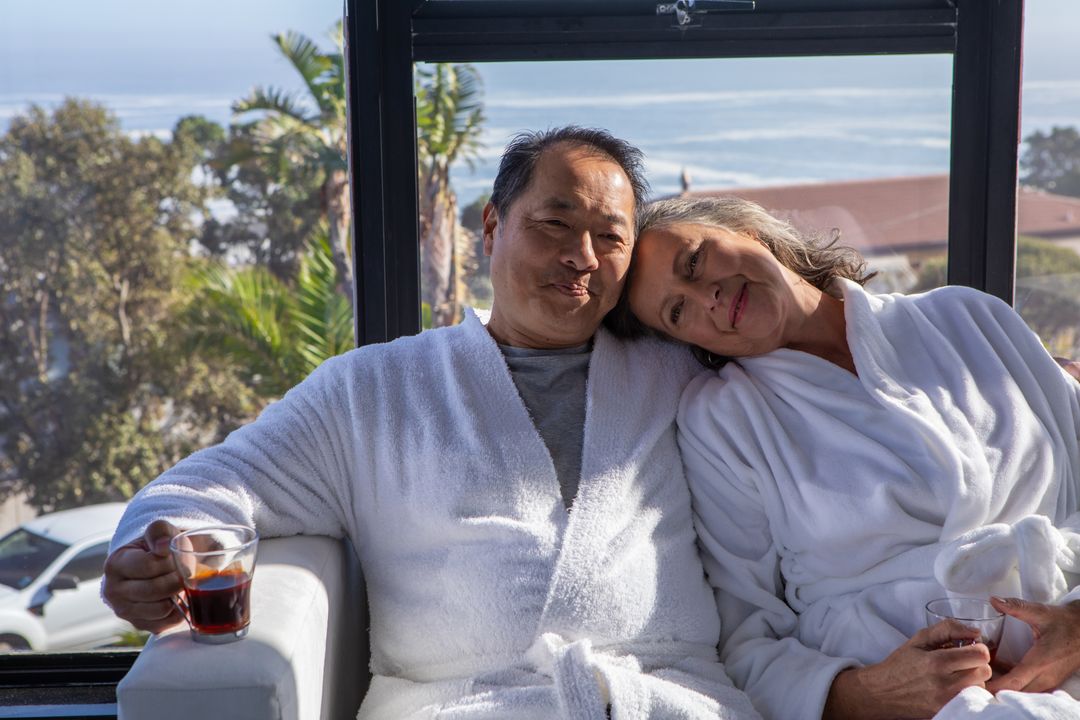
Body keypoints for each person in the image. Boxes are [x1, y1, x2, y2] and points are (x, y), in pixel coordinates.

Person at [101, 128, 761, 720]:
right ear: (492, 227)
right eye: (555, 225)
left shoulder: (682, 378)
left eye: (611, 237)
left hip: (668, 702)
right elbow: (202, 492)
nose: (582, 256)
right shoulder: (374, 391)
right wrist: (155, 558)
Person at [607, 195, 1080, 720]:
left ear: (748, 230)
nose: (707, 297)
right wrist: (864, 694)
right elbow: (742, 635)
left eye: (694, 261)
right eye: (678, 312)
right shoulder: (724, 422)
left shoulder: (967, 318)